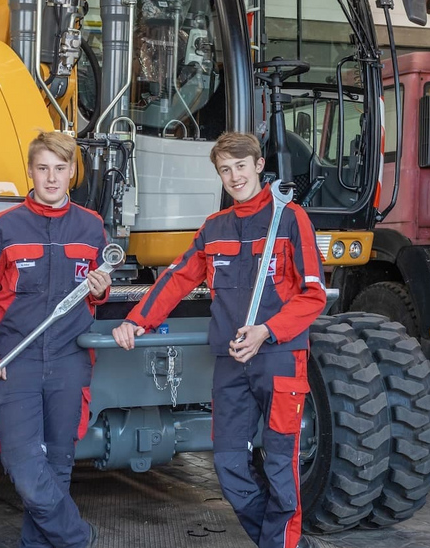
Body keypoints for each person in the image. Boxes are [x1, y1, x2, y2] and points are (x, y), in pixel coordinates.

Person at [111, 132, 325, 548]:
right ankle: (279, 542)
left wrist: (267, 330)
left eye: (241, 166)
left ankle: (282, 544)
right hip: (231, 363)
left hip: (279, 358)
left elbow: (313, 294)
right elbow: (176, 280)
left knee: (281, 466)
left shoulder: (291, 218)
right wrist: (138, 321)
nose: (234, 176)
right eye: (225, 170)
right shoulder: (214, 229)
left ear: (259, 166)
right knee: (228, 466)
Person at [0, 131, 111, 548]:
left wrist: (100, 288)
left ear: (71, 173)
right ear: (30, 171)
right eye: (43, 168)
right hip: (15, 362)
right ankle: (79, 537)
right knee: (27, 470)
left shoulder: (91, 226)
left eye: (60, 169)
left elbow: (96, 292)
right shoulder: (5, 228)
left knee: (58, 468)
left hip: (68, 360)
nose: (51, 178)